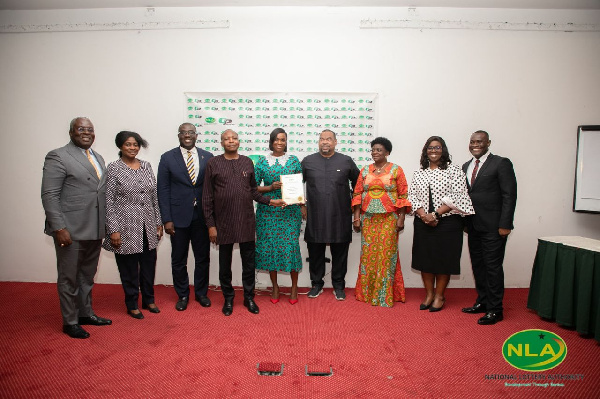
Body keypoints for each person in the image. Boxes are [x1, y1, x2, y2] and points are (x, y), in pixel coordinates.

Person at [41, 117, 112, 339]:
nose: (86, 133)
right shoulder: (58, 156)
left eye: (90, 130)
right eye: (81, 129)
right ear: (71, 132)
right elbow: (49, 194)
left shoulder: (98, 158)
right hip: (70, 229)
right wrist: (58, 226)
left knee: (87, 276)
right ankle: (70, 321)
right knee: (69, 277)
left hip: (94, 227)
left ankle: (85, 313)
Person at [202, 129, 285, 316]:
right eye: (227, 139)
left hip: (246, 221)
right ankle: (228, 299)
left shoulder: (247, 162)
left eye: (234, 138)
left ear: (239, 142)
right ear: (222, 142)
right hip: (223, 223)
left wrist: (272, 201)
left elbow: (253, 191)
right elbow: (207, 197)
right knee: (225, 265)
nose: (231, 141)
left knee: (249, 263)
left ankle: (249, 298)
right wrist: (211, 225)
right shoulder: (213, 163)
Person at [408, 136, 474, 312]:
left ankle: (439, 296)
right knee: (425, 259)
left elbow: (459, 195)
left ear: (443, 150)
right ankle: (429, 294)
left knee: (444, 260)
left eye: (437, 148)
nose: (433, 151)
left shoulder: (454, 170)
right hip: (423, 222)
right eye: (430, 148)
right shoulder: (419, 172)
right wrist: (424, 215)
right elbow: (412, 196)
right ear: (425, 151)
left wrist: (435, 214)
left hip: (448, 222)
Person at [102, 131, 163, 319]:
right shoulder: (113, 168)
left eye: (135, 144)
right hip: (125, 227)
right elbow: (108, 200)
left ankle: (149, 299)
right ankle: (131, 303)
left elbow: (154, 197)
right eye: (128, 144)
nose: (132, 148)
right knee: (128, 268)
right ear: (120, 146)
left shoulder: (146, 166)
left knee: (148, 266)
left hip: (148, 225)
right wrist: (113, 229)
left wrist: (158, 222)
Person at [461, 130, 517, 325]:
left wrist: (505, 224)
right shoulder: (466, 166)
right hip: (473, 226)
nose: (475, 144)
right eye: (472, 141)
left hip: (495, 227)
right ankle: (483, 302)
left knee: (492, 267)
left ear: (488, 143)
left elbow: (510, 195)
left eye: (480, 141)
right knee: (478, 266)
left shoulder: (501, 163)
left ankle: (495, 309)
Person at [157, 123, 213, 311]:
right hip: (177, 218)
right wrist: (167, 219)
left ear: (196, 135)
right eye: (183, 133)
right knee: (179, 259)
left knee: (202, 258)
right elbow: (162, 190)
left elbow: (212, 189)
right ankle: (182, 294)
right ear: (178, 135)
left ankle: (201, 293)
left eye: (191, 132)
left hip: (202, 217)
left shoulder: (208, 157)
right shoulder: (167, 158)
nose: (187, 135)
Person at [352, 137, 411, 307]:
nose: (375, 152)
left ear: (387, 152)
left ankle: (384, 294)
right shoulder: (364, 170)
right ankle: (368, 294)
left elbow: (403, 195)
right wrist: (357, 218)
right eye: (373, 150)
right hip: (368, 219)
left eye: (379, 150)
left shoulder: (396, 170)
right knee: (369, 256)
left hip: (389, 219)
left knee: (386, 255)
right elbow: (357, 195)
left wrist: (401, 218)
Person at [302, 129, 360, 300]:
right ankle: (317, 284)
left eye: (328, 139)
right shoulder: (307, 161)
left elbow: (358, 184)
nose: (325, 142)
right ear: (318, 142)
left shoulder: (346, 161)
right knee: (315, 251)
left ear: (335, 142)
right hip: (316, 215)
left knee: (340, 251)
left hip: (340, 215)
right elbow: (296, 184)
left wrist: (353, 205)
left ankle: (339, 285)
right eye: (321, 139)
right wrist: (301, 205)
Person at [255, 128, 306, 305]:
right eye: (276, 139)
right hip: (268, 212)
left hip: (290, 212)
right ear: (271, 141)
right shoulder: (262, 162)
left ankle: (293, 288)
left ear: (286, 142)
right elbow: (252, 188)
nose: (280, 142)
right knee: (271, 249)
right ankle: (275, 287)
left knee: (291, 247)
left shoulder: (293, 161)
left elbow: (298, 185)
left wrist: (302, 205)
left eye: (283, 140)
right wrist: (270, 188)